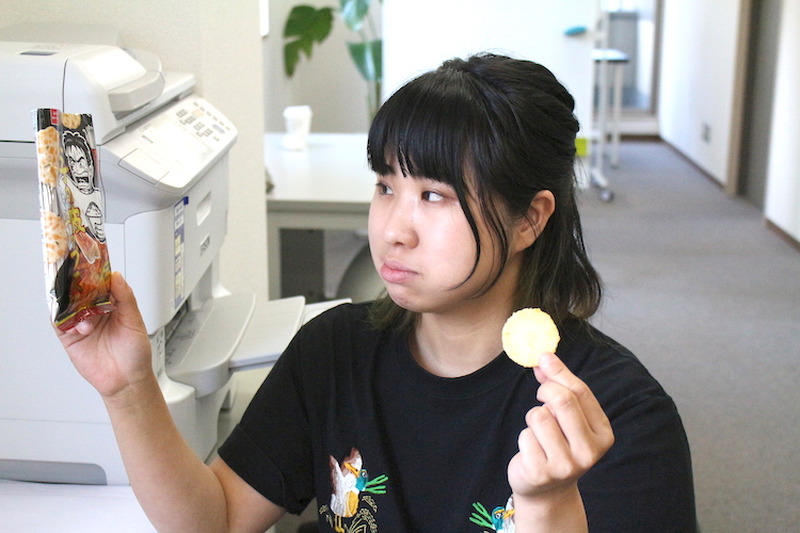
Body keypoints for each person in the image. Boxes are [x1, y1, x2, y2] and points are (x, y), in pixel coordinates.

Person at [57, 53, 696, 532]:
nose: (393, 229)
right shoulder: (333, 351)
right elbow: (218, 519)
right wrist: (129, 390)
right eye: (386, 186)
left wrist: (548, 504)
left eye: (435, 196)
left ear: (530, 218)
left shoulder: (616, 415)